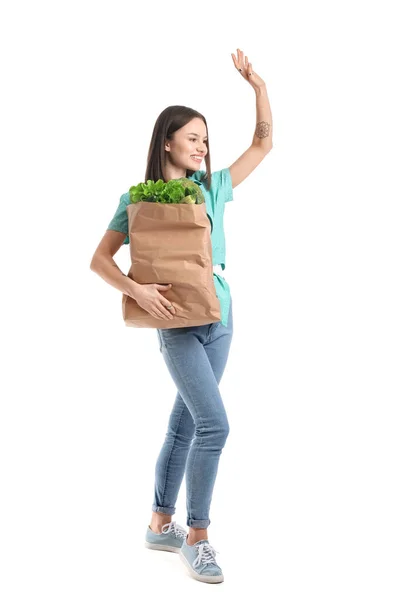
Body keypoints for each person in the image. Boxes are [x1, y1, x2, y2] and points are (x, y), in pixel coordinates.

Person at [89, 48, 273, 584]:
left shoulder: (213, 188)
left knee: (187, 421)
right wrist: (136, 291)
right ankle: (198, 536)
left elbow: (264, 143)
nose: (202, 146)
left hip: (222, 318)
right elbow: (99, 259)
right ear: (167, 141)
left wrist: (257, 86)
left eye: (206, 139)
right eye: (193, 137)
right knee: (215, 424)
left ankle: (158, 524)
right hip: (175, 323)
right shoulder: (137, 199)